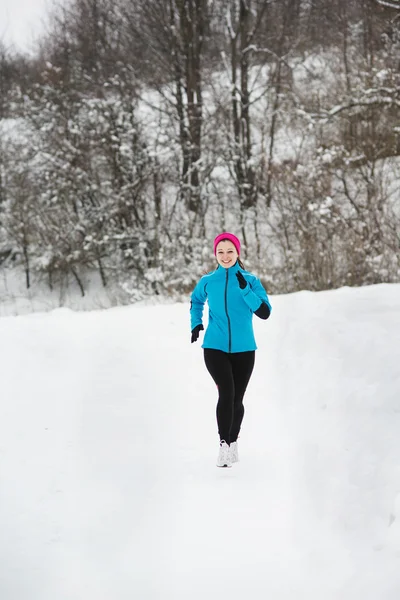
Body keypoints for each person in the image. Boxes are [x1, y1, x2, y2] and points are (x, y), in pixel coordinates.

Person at [190, 232, 272, 468]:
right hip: (214, 346)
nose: (225, 256)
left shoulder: (251, 281)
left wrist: (246, 290)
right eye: (220, 252)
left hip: (245, 349)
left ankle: (234, 440)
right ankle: (224, 444)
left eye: (230, 251)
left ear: (237, 252)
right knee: (226, 392)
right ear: (215, 254)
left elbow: (265, 312)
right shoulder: (208, 281)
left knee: (237, 398)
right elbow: (196, 301)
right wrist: (196, 322)